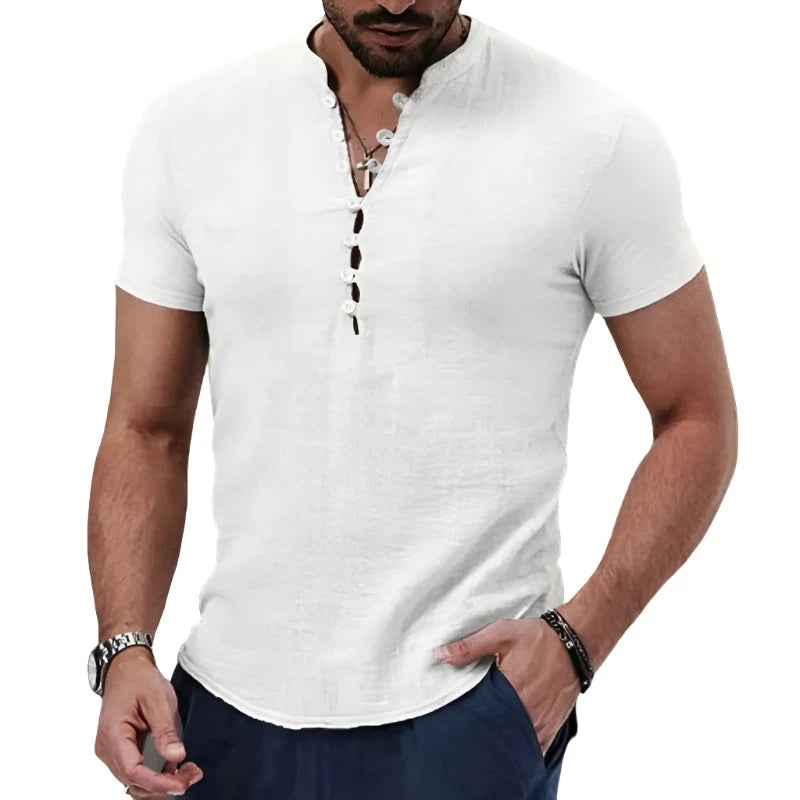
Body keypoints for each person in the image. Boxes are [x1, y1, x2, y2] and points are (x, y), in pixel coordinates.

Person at [87, 2, 737, 798]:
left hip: (466, 713)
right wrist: (123, 649)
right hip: (219, 714)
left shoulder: (595, 138)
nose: (396, 2)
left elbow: (696, 415)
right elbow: (145, 427)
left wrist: (579, 640)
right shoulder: (188, 132)